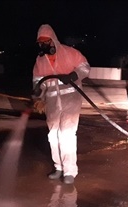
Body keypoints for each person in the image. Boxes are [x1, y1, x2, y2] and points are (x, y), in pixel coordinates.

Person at [32, 24, 90, 184]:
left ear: (53, 40)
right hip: (51, 103)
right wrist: (38, 95)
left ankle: (70, 171)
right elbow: (37, 81)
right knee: (53, 136)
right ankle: (58, 167)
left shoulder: (69, 53)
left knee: (68, 135)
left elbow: (85, 67)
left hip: (71, 100)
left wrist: (73, 75)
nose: (43, 45)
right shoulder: (40, 60)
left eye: (46, 41)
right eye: (40, 42)